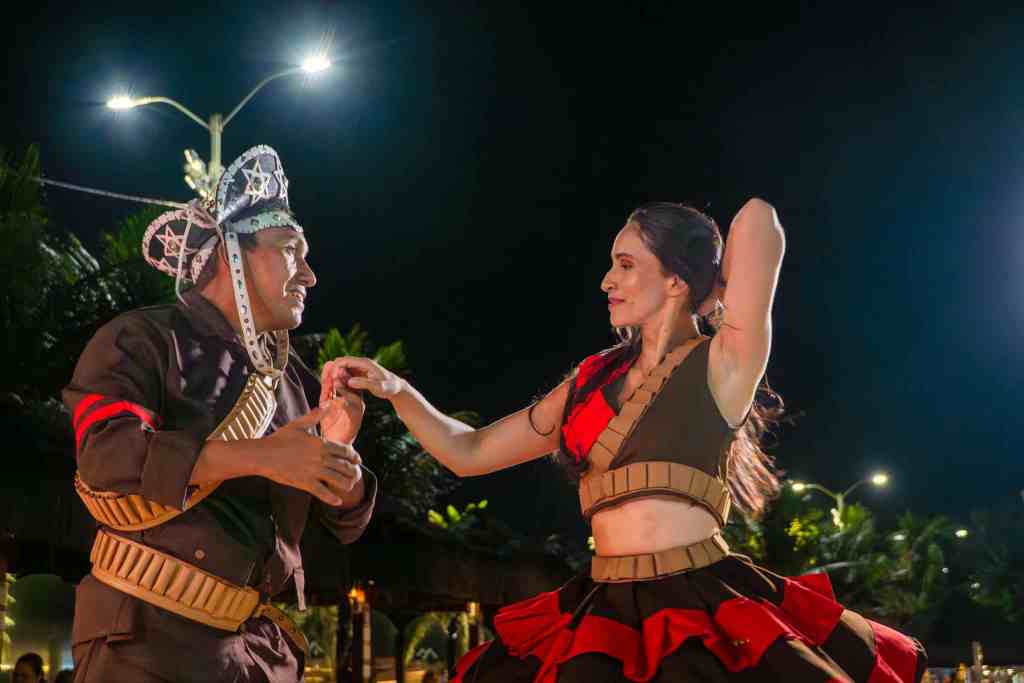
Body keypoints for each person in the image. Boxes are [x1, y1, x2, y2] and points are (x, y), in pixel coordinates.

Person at [324, 199, 927, 681]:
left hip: (702, 599)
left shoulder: (724, 363)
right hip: (604, 605)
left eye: (627, 263)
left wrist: (710, 282)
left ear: (675, 279)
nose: (607, 280)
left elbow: (758, 219)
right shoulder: (590, 380)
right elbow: (471, 451)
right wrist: (395, 388)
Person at [63, 145, 377, 682]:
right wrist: (261, 457)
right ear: (235, 252)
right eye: (290, 250)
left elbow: (342, 524)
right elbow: (105, 457)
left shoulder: (294, 380)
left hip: (259, 656)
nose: (309, 275)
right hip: (146, 647)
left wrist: (338, 459)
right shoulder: (142, 340)